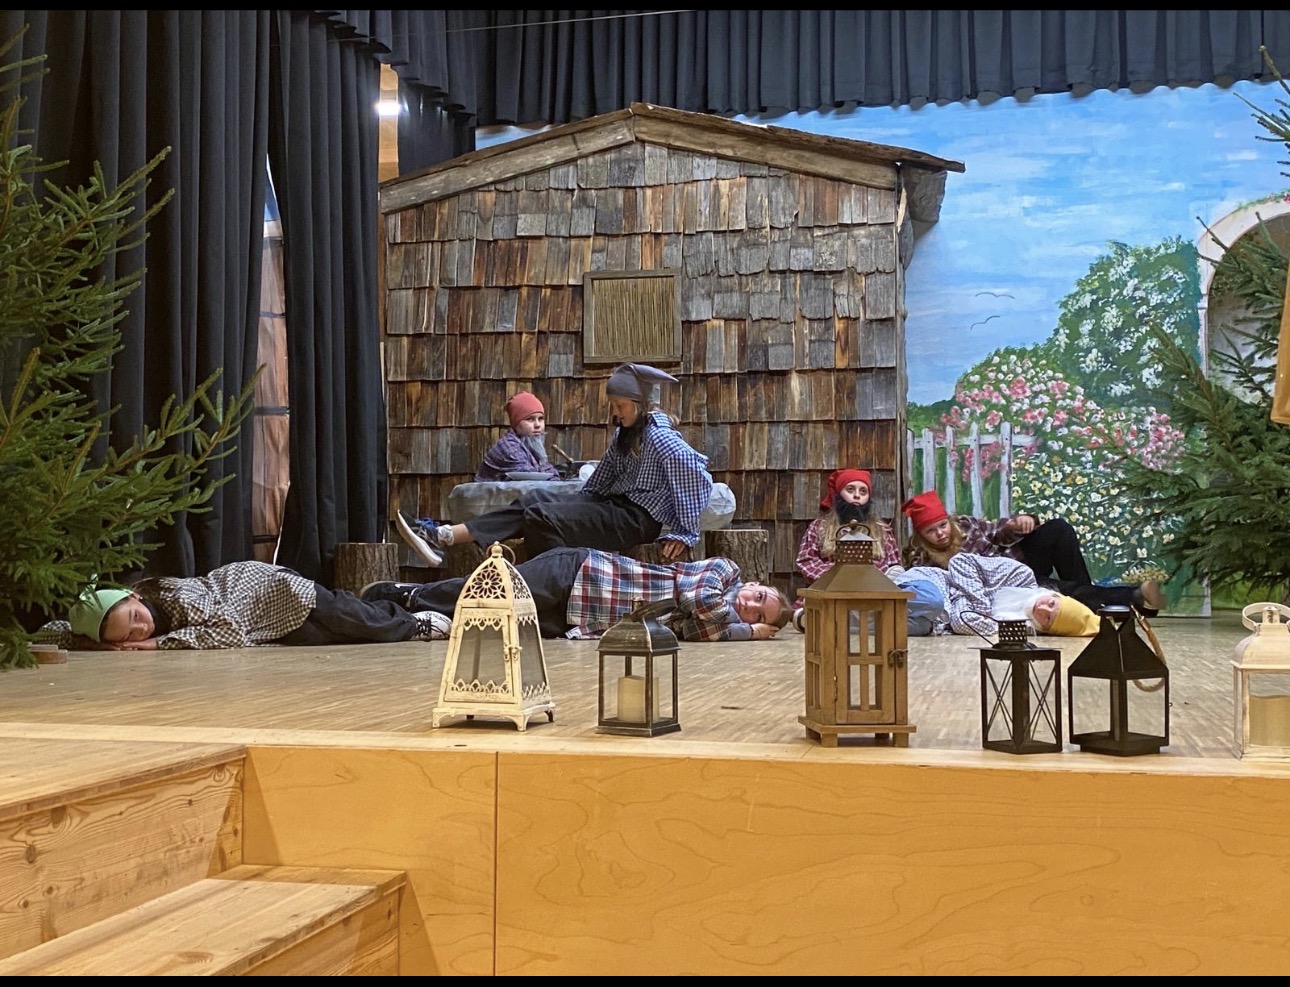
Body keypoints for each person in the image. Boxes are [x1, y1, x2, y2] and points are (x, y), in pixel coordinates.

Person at [396, 363, 713, 567]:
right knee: (535, 499)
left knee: (541, 517)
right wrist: (575, 504)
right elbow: (600, 480)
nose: (615, 412)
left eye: (620, 405)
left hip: (635, 520)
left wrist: (685, 532)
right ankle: (445, 536)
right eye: (613, 405)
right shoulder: (626, 433)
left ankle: (546, 581)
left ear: (640, 404)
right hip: (612, 506)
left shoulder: (660, 437)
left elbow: (697, 476)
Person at [362, 545, 791, 642]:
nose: (749, 606)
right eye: (758, 598)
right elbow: (699, 603)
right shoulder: (723, 571)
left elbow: (697, 633)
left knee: (493, 614)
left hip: (580, 618)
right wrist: (745, 633)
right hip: (581, 573)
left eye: (758, 616)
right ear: (754, 584)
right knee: (496, 588)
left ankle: (398, 614)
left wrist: (730, 631)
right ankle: (409, 593)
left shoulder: (719, 621)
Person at [38, 560, 452, 651]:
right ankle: (383, 597)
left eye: (134, 617)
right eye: (128, 634)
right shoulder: (111, 634)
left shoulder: (176, 596)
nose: (139, 629)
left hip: (270, 591)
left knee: (350, 618)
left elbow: (229, 631)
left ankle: (411, 622)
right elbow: (57, 632)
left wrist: (155, 644)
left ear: (134, 596)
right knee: (334, 640)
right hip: (267, 627)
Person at [899, 489, 1167, 617]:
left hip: (1015, 562)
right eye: (931, 531)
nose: (941, 533)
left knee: (1058, 529)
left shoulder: (965, 525)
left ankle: (1085, 607)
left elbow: (998, 532)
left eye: (942, 525)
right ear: (921, 535)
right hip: (1004, 588)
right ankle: (1133, 598)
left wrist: (1018, 523)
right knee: (1059, 589)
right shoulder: (920, 558)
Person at [793, 468, 946, 636]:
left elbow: (894, 567)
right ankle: (862, 621)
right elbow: (806, 561)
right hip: (835, 594)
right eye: (850, 490)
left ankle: (837, 623)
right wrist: (842, 578)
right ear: (838, 494)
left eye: (863, 491)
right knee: (922, 626)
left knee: (930, 601)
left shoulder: (882, 530)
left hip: (876, 595)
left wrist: (876, 580)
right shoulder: (820, 527)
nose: (857, 495)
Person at [886, 553, 1102, 640]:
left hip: (937, 623)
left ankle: (868, 611)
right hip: (933, 584)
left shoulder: (1018, 628)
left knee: (892, 627)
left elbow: (961, 622)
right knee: (933, 601)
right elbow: (960, 562)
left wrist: (964, 593)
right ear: (1054, 594)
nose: (1042, 608)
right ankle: (891, 582)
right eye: (1051, 603)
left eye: (1047, 618)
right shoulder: (1019, 576)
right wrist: (981, 607)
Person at [474, 390, 562, 482]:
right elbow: (531, 479)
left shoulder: (530, 444)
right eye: (530, 419)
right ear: (516, 424)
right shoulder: (508, 447)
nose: (537, 425)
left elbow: (553, 475)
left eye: (540, 419)